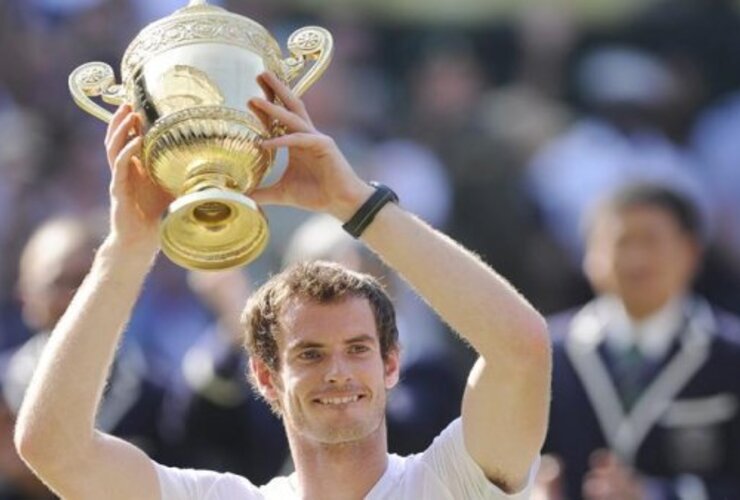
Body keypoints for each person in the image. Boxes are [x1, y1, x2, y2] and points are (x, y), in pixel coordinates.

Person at [14, 71, 550, 499]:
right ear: (265, 378)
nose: (337, 371)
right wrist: (126, 250)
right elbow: (52, 449)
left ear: (391, 365)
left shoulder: (447, 484)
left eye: (357, 348)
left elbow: (521, 351)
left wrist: (356, 204)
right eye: (311, 353)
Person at [543, 183, 740, 499]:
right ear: (589, 255)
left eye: (651, 241)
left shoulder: (729, 353)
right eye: (621, 242)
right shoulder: (546, 353)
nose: (636, 258)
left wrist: (658, 495)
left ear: (691, 252)